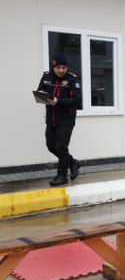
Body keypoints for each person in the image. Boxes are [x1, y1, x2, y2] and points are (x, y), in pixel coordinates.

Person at [37, 53, 82, 186]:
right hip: (51, 119)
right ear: (53, 66)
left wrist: (58, 101)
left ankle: (62, 175)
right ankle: (73, 162)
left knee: (61, 147)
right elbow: (41, 91)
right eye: (58, 67)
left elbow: (77, 99)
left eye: (64, 67)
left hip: (66, 120)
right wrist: (41, 96)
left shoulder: (72, 80)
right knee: (51, 146)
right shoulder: (46, 77)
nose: (61, 70)